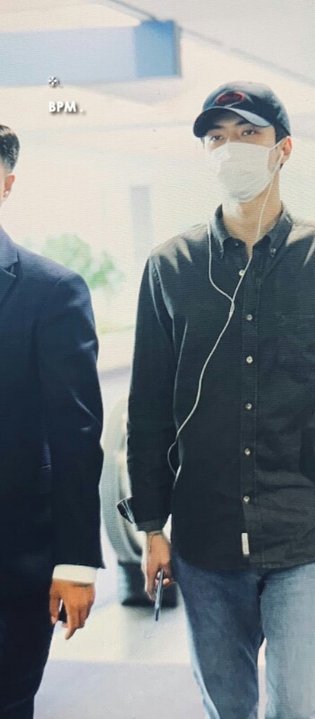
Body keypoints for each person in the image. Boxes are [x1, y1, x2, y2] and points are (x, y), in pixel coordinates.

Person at [125, 82, 315, 719]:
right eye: (217, 137)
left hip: (306, 529)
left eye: (248, 134)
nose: (230, 148)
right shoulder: (170, 268)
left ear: (283, 149)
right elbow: (148, 409)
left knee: (298, 703)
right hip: (205, 536)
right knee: (227, 705)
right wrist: (151, 526)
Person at [0, 125, 104, 718]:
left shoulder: (51, 291)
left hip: (12, 564)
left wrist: (75, 561)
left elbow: (76, 437)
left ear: (7, 185)